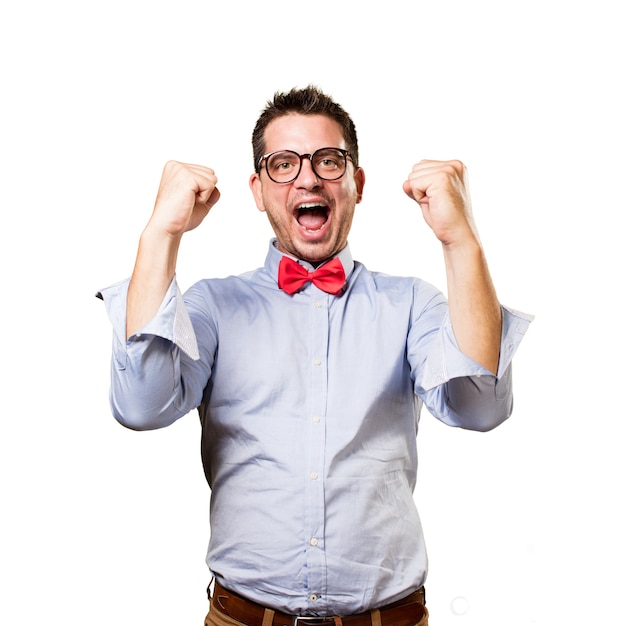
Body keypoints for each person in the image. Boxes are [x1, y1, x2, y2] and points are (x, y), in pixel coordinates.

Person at [98, 85, 532, 626]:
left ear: (357, 183)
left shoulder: (411, 304)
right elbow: (141, 406)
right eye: (283, 164)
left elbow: (480, 408)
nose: (308, 178)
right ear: (257, 190)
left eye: (329, 161)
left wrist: (460, 240)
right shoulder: (211, 306)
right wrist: (160, 232)